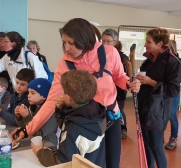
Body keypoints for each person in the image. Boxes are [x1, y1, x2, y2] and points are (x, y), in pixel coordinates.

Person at [12, 18, 141, 168]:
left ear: (85, 40)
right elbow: (51, 101)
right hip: (84, 124)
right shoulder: (64, 65)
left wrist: (128, 83)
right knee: (88, 165)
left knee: (113, 164)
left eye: (71, 43)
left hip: (110, 118)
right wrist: (27, 129)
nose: (66, 48)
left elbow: (119, 76)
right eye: (64, 42)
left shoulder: (110, 53)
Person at [31, 70, 106, 167]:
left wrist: (39, 152)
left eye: (62, 90)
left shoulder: (73, 130)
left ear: (68, 97)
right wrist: (61, 109)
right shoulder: (97, 111)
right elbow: (69, 122)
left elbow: (62, 162)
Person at [136, 28, 181, 167]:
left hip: (158, 111)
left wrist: (150, 82)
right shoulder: (148, 61)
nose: (145, 44)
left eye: (148, 42)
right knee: (146, 145)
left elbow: (173, 89)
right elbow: (142, 80)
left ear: (160, 44)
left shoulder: (173, 62)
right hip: (143, 108)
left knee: (156, 146)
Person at [102, 29, 131, 139]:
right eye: (103, 41)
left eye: (108, 41)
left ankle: (122, 128)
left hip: (119, 91)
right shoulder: (98, 54)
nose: (105, 44)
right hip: (105, 94)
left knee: (118, 112)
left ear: (115, 42)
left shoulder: (122, 57)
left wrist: (128, 83)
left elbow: (122, 76)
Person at [16, 78, 58, 146]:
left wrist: (26, 117)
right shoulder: (34, 107)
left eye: (32, 93)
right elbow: (26, 129)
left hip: (48, 146)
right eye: (28, 92)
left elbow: (38, 134)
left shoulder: (52, 113)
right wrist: (19, 117)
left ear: (44, 96)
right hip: (36, 144)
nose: (28, 96)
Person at [164, 40, 180, 150]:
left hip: (173, 93)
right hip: (163, 91)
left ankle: (173, 138)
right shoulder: (162, 60)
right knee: (163, 115)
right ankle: (159, 136)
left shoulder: (177, 61)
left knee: (172, 115)